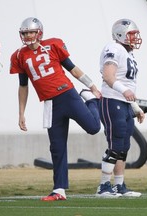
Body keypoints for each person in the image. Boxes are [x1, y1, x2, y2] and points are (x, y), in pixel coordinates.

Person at [9, 17, 101, 201]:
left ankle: (90, 101)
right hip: (50, 103)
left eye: (31, 32)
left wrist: (92, 88)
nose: (28, 35)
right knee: (57, 148)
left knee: (93, 128)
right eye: (25, 32)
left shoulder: (53, 45)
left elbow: (73, 69)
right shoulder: (19, 55)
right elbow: (23, 86)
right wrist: (21, 113)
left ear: (39, 32)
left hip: (68, 95)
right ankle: (59, 189)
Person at [95, 18, 145, 198]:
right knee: (115, 145)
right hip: (112, 100)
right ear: (120, 34)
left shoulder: (128, 53)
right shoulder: (114, 48)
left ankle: (119, 185)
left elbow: (128, 83)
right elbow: (109, 76)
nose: (134, 38)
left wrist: (135, 106)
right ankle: (103, 186)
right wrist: (124, 92)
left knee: (124, 146)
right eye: (131, 35)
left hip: (124, 103)